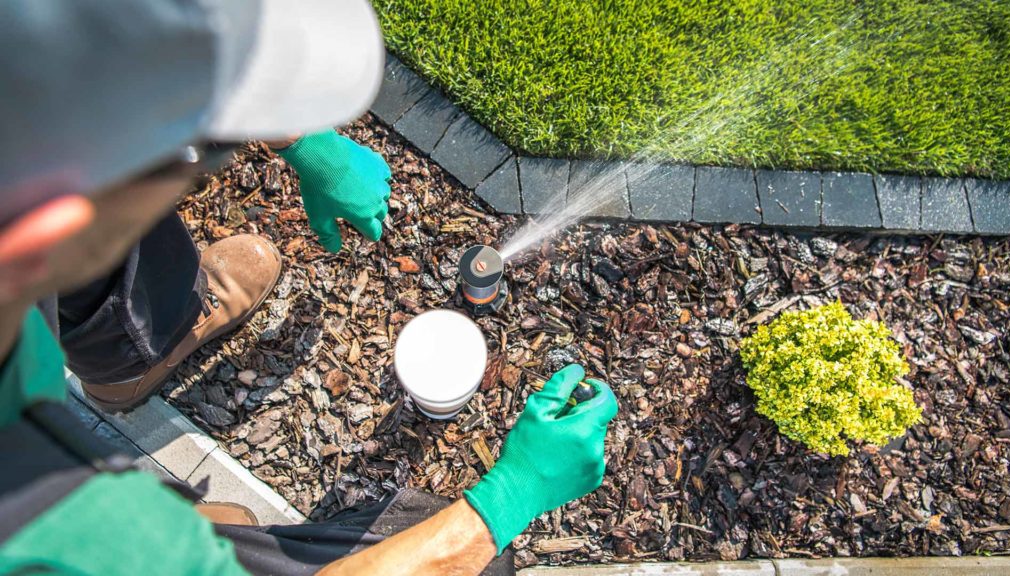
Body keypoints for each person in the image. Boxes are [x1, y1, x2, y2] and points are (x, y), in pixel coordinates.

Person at [0, 1, 619, 575]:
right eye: (194, 163)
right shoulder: (79, 536)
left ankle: (131, 352)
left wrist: (300, 139)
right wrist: (509, 499)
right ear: (47, 228)